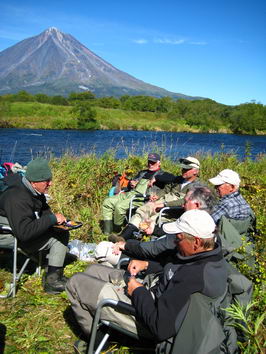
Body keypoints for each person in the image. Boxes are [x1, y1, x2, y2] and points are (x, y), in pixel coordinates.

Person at [66, 209, 228, 353]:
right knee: (92, 270)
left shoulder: (193, 277)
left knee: (75, 283)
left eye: (179, 238)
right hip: (153, 291)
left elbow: (161, 327)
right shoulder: (206, 254)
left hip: (148, 316)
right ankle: (109, 327)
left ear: (197, 242)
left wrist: (137, 291)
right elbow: (172, 270)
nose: (175, 242)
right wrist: (148, 265)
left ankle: (101, 343)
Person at [0, 158, 69, 294]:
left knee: (60, 230)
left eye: (50, 179)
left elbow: (43, 209)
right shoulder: (16, 197)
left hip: (16, 228)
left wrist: (56, 221)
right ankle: (52, 282)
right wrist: (51, 219)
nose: (50, 183)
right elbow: (24, 233)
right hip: (7, 234)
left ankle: (49, 266)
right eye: (46, 181)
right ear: (33, 182)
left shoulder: (33, 190)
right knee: (59, 237)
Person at [117, 156, 202, 240]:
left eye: (186, 169)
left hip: (173, 209)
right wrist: (157, 195)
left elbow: (185, 201)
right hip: (163, 201)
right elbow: (166, 189)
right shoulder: (178, 179)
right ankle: (123, 237)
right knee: (143, 209)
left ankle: (139, 240)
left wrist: (164, 204)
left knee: (153, 216)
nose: (183, 171)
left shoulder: (198, 186)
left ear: (195, 171)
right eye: (183, 168)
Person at [102, 153, 173, 235]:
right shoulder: (142, 172)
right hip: (130, 193)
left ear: (159, 163)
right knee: (107, 202)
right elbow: (131, 183)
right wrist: (131, 183)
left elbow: (172, 178)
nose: (150, 164)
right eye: (149, 162)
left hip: (141, 198)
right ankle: (107, 232)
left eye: (153, 162)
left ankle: (116, 229)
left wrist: (156, 178)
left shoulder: (162, 174)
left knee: (119, 207)